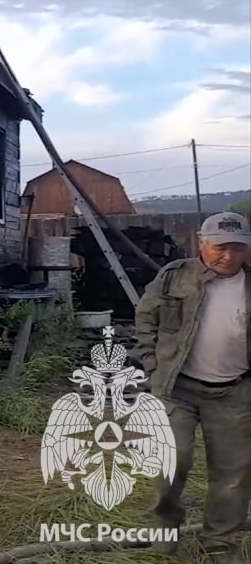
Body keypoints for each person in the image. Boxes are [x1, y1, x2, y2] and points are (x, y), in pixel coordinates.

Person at [136, 210, 250, 563]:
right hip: (178, 388)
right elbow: (145, 319)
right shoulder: (175, 277)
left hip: (235, 390)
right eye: (219, 247)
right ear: (200, 243)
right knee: (170, 464)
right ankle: (165, 533)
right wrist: (155, 368)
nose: (228, 256)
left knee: (233, 475)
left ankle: (219, 543)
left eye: (237, 248)